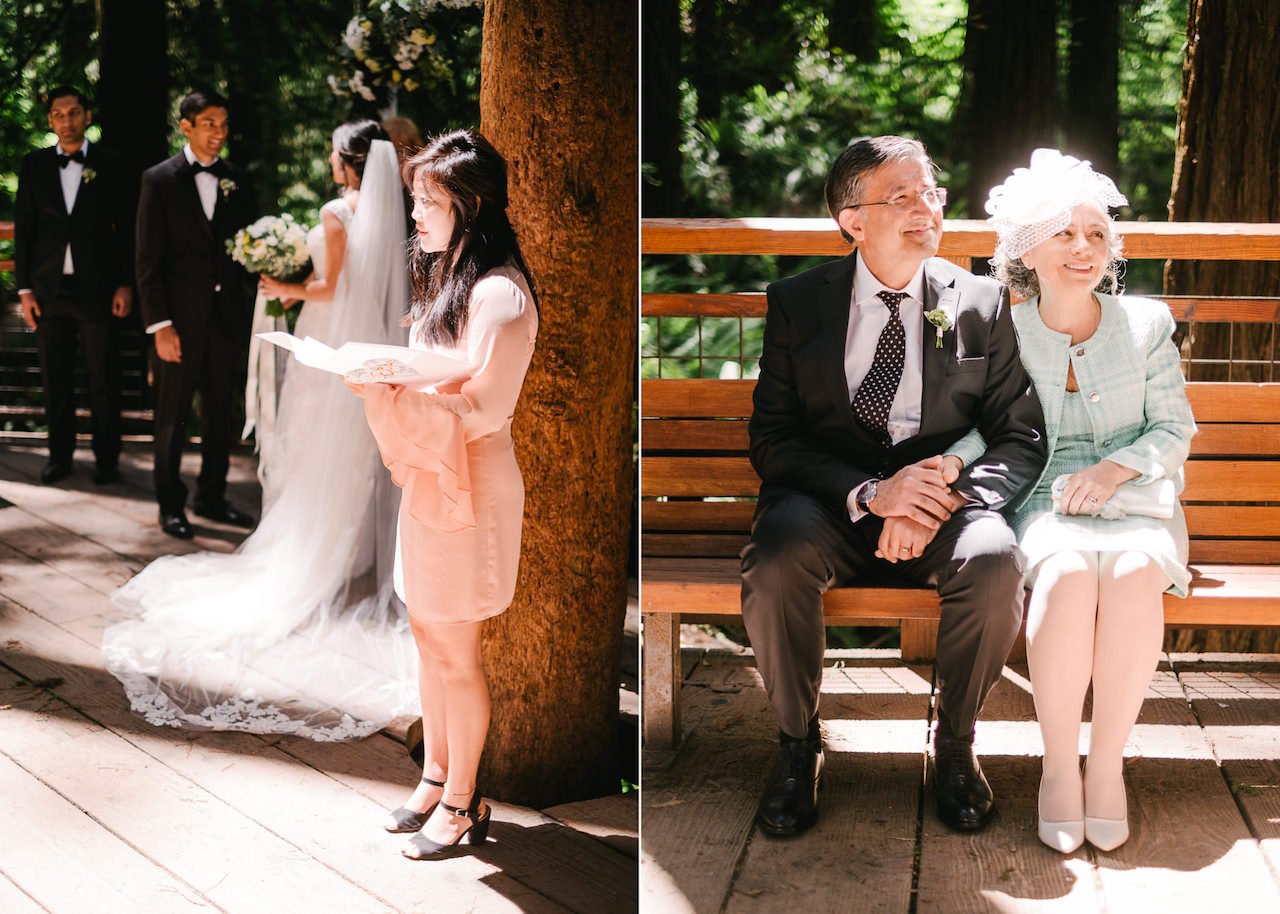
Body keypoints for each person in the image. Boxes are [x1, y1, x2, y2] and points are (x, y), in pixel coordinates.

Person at [741, 135, 1047, 838]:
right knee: (776, 560)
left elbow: (1020, 435)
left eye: (931, 194)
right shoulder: (797, 303)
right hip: (827, 504)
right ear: (852, 219)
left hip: (942, 505)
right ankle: (796, 745)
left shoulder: (982, 302)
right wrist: (873, 494)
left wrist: (933, 499)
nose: (924, 209)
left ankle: (956, 743)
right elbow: (774, 440)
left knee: (997, 560)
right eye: (901, 196)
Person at [102, 124, 417, 741]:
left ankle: (326, 549)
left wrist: (283, 287)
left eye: (332, 148)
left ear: (347, 160)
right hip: (369, 341)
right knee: (358, 446)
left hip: (328, 334)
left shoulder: (335, 210)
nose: (327, 156)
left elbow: (332, 286)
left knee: (320, 447)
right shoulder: (391, 211)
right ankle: (365, 553)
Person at [984, 149, 1196, 853]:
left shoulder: (1146, 325)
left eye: (1097, 234)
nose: (1084, 247)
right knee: (1069, 575)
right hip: (1043, 497)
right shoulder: (1003, 332)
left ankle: (1105, 767)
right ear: (1027, 250)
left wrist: (1116, 469)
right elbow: (982, 430)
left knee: (1136, 575)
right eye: (1065, 233)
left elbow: (1174, 427)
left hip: (1137, 495)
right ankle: (1057, 769)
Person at [348, 129, 538, 860]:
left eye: (429, 201)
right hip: (436, 474)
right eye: (415, 199)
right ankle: (432, 779)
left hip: (473, 484)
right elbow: (440, 368)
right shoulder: (454, 275)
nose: (417, 215)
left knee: (459, 652)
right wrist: (388, 372)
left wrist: (392, 388)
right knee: (428, 639)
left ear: (472, 203)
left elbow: (485, 408)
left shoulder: (499, 291)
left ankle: (464, 802)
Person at [135, 88, 257, 539]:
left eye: (223, 125)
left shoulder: (238, 180)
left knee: (221, 415)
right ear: (185, 125)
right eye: (209, 124)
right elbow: (146, 261)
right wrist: (160, 325)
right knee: (172, 418)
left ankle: (212, 495)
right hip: (177, 325)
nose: (219, 134)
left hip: (226, 320)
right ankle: (170, 504)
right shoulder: (159, 180)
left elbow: (247, 247)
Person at [14, 86, 134, 485]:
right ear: (50, 121)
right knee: (55, 378)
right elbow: (26, 232)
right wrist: (24, 290)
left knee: (104, 377)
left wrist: (123, 284)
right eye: (59, 114)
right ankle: (59, 458)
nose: (67, 121)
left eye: (74, 113)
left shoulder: (111, 164)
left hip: (97, 289)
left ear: (87, 116)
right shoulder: (33, 166)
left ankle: (106, 460)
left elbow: (125, 231)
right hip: (47, 291)